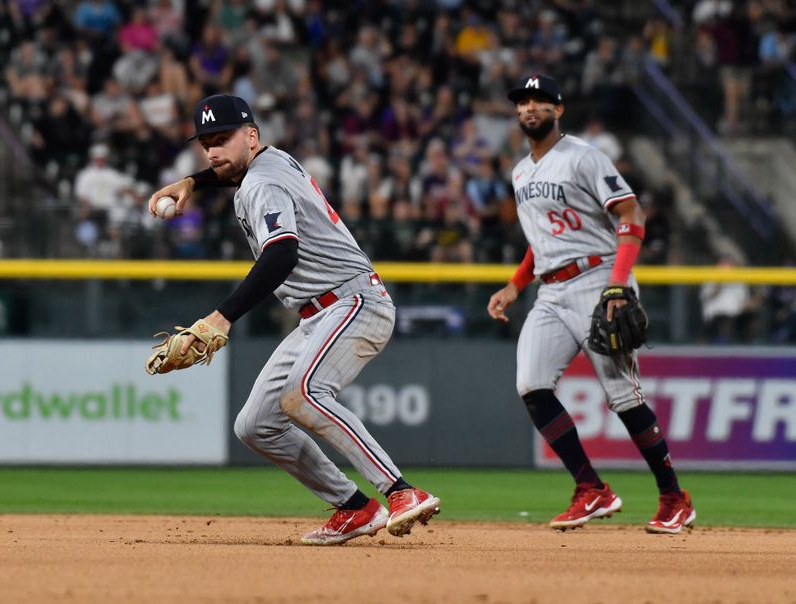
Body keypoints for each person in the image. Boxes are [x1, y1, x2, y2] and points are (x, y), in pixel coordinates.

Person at [147, 94, 440, 545]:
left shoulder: (261, 185)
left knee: (303, 393)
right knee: (255, 424)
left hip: (353, 302)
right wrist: (193, 181)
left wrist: (222, 317)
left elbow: (281, 255)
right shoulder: (272, 160)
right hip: (318, 314)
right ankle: (355, 508)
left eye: (222, 138)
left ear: (251, 135)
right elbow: (234, 170)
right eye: (206, 142)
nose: (213, 151)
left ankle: (401, 492)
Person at [487, 75, 696, 534]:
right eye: (523, 101)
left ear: (558, 110)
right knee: (532, 384)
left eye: (540, 100)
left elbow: (630, 214)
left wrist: (618, 287)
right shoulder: (521, 171)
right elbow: (540, 242)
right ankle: (591, 489)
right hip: (551, 289)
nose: (529, 107)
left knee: (623, 397)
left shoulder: (583, 156)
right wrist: (514, 286)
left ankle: (674, 498)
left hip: (599, 278)